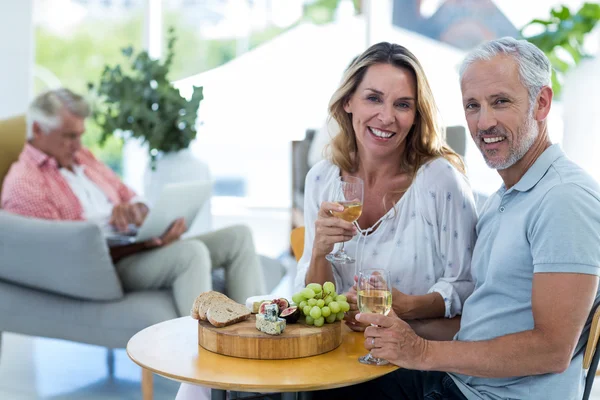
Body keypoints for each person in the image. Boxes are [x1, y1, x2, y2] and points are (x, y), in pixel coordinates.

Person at [315, 37, 600, 400]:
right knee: (312, 390)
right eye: (472, 105)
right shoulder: (506, 199)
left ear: (541, 103)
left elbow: (552, 350)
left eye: (500, 102)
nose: (484, 122)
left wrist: (419, 352)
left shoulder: (564, 199)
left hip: (488, 396)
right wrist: (404, 319)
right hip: (459, 382)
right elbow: (480, 325)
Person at [1, 88, 266, 316]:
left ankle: (260, 338)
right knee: (191, 253)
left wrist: (139, 212)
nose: (78, 144)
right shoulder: (25, 184)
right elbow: (67, 256)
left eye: (81, 134)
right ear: (37, 129)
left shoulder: (82, 158)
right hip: (108, 266)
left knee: (239, 236)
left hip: (135, 245)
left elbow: (126, 193)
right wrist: (139, 242)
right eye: (70, 136)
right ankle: (200, 365)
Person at [294, 42, 478, 328]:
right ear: (348, 101)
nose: (386, 116)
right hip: (339, 356)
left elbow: (467, 286)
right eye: (373, 98)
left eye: (402, 104)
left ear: (416, 115)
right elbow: (314, 302)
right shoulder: (320, 178)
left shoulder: (440, 181)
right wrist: (319, 251)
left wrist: (407, 307)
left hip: (413, 359)